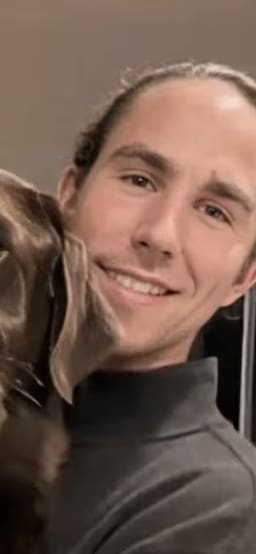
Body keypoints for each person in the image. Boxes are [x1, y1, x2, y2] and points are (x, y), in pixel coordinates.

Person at [44, 62, 256, 553]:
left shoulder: (216, 505)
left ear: (244, 278)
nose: (159, 234)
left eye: (214, 211)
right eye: (139, 180)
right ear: (69, 197)